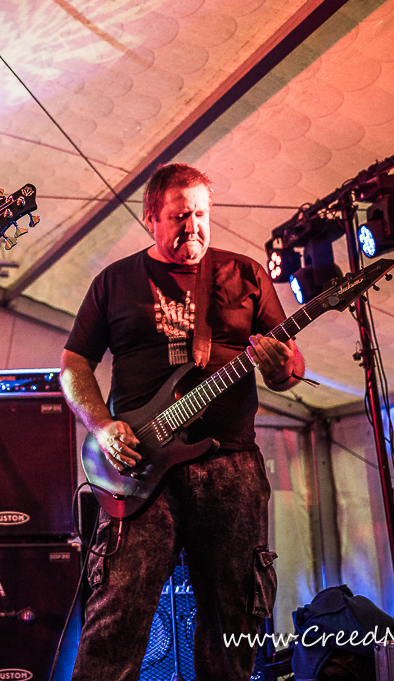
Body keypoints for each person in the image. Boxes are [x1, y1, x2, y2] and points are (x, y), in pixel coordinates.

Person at [62, 163, 305, 680]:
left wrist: (282, 367)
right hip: (141, 467)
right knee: (115, 619)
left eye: (200, 214)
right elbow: (74, 365)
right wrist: (102, 425)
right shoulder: (115, 282)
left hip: (231, 464)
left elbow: (287, 365)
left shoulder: (245, 274)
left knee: (233, 620)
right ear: (151, 217)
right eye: (179, 216)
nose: (192, 226)